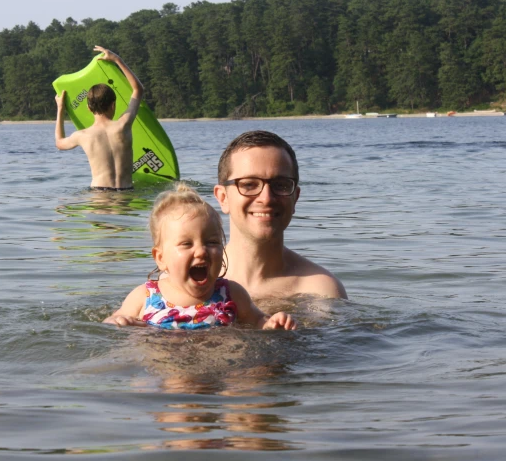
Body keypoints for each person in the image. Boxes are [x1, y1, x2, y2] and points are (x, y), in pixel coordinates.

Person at [103, 183, 297, 330]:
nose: (201, 251)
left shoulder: (232, 294)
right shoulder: (145, 297)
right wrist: (117, 321)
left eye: (212, 242)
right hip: (164, 375)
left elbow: (257, 321)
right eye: (186, 244)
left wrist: (272, 324)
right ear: (160, 258)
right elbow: (114, 321)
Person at [213, 130, 348, 301]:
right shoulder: (183, 282)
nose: (266, 198)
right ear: (223, 198)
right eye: (249, 184)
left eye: (281, 185)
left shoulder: (320, 291)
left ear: (295, 198)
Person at [54, 46, 143, 190]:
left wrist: (60, 109)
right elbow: (138, 90)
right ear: (113, 105)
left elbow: (59, 143)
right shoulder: (124, 124)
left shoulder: (82, 135)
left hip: (98, 194)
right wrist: (116, 59)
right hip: (126, 193)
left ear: (89, 108)